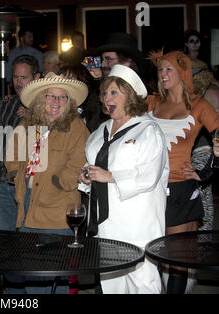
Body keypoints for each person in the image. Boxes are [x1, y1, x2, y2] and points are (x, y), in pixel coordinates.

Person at [79, 64, 169, 293]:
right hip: (106, 223)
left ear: (130, 95)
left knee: (143, 281)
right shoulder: (100, 131)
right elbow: (95, 164)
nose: (107, 98)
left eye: (114, 92)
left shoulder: (148, 130)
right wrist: (86, 177)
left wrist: (111, 176)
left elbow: (149, 176)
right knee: (111, 283)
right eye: (105, 93)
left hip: (137, 223)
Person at [4, 72, 90, 294]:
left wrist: (55, 182)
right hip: (27, 206)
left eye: (62, 98)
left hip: (58, 210)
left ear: (69, 103)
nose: (56, 102)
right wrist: (16, 176)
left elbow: (78, 163)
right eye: (51, 96)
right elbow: (12, 154)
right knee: (32, 275)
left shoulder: (76, 127)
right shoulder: (26, 124)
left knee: (53, 277)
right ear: (41, 99)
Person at [146, 50, 219, 294]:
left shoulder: (198, 104)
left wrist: (206, 172)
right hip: (148, 189)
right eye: (160, 69)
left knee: (176, 258)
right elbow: (118, 104)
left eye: (169, 69)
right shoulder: (152, 101)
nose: (163, 74)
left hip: (180, 189)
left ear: (183, 72)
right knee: (150, 252)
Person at [0, 55, 40, 232]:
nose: (18, 82)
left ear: (36, 78)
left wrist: (34, 115)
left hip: (31, 185)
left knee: (30, 240)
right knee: (6, 241)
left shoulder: (47, 105)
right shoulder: (7, 104)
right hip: (3, 182)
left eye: (24, 77)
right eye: (15, 77)